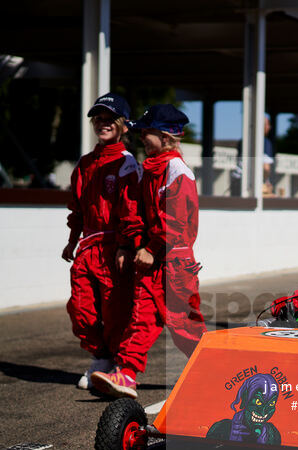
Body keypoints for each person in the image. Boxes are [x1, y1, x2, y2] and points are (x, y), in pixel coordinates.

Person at [92, 104, 208, 399]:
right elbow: (137, 213)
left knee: (184, 324)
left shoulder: (176, 171)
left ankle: (212, 369)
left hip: (175, 261)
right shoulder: (149, 170)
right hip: (151, 258)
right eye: (141, 132)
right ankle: (126, 374)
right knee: (141, 316)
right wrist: (129, 245)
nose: (142, 137)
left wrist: (153, 248)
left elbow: (176, 220)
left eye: (147, 132)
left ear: (167, 136)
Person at [61, 93, 141, 390]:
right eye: (99, 119)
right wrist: (72, 241)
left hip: (114, 249)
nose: (103, 124)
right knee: (81, 310)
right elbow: (77, 208)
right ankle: (101, 358)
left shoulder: (128, 164)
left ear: (123, 126)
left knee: (115, 311)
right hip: (87, 248)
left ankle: (119, 365)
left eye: (110, 119)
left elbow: (132, 211)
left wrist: (126, 246)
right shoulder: (85, 164)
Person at [230, 115, 274, 196]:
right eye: (268, 124)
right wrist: (265, 182)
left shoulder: (242, 141)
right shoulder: (265, 142)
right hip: (252, 183)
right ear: (262, 126)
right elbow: (266, 168)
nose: (269, 127)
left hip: (237, 180)